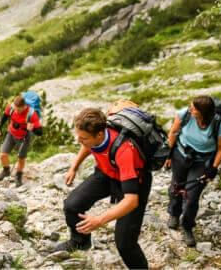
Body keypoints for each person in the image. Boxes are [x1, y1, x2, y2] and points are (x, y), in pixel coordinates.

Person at [56, 107, 151, 269]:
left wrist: (99, 220)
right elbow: (88, 145)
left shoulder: (124, 151)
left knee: (125, 243)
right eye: (78, 136)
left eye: (83, 137)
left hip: (134, 184)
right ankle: (80, 242)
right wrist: (74, 167)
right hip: (106, 173)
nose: (79, 140)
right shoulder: (94, 137)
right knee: (72, 206)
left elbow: (131, 201)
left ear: (100, 134)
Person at [165, 95, 221, 247]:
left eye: (194, 108)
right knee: (176, 186)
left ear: (203, 112)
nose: (190, 109)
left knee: (192, 196)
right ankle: (174, 214)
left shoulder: (218, 124)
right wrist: (168, 155)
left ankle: (187, 226)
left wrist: (213, 168)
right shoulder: (184, 115)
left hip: (201, 162)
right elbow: (173, 133)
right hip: (181, 155)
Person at [0, 95, 42, 187]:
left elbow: (40, 132)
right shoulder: (11, 107)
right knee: (3, 154)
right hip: (11, 133)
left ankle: (18, 176)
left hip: (24, 137)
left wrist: (33, 129)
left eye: (19, 110)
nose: (17, 112)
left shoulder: (32, 114)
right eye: (15, 109)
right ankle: (6, 171)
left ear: (24, 107)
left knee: (20, 158)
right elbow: (5, 116)